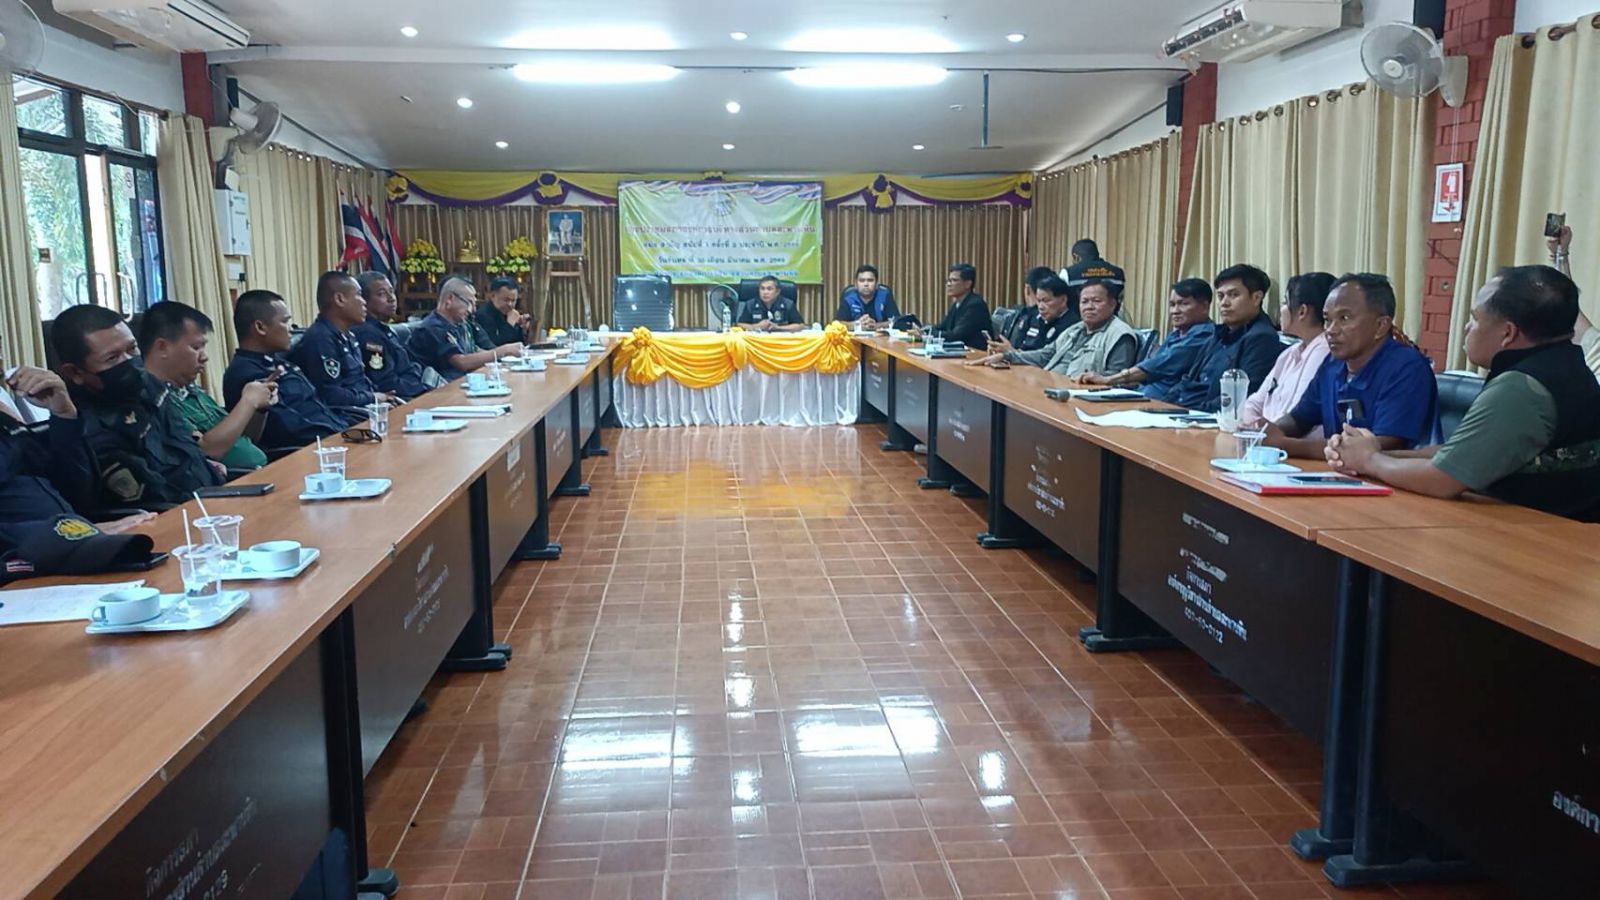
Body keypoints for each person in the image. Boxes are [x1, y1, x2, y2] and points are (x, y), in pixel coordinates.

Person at [1329, 266, 1600, 521]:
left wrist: (1370, 461)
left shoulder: (1521, 387)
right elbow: (1462, 453)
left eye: (1475, 319)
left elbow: (1443, 479)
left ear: (1507, 333)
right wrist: (1369, 453)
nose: (1467, 327)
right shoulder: (1568, 366)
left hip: (1539, 537)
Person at [51, 304, 223, 509]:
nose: (131, 363)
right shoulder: (87, 428)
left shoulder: (149, 386)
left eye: (132, 349)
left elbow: (187, 449)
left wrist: (210, 472)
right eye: (112, 358)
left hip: (213, 499)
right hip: (174, 516)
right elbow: (153, 499)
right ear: (75, 373)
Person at [1263, 274, 1437, 458]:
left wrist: (1285, 445)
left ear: (1380, 325)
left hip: (1398, 474)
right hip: (1336, 471)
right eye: (1327, 319)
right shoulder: (1332, 365)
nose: (1331, 330)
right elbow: (1299, 419)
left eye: (1344, 318)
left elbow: (1381, 447)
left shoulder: (1407, 367)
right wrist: (1267, 431)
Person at [137, 301, 272, 472]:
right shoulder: (154, 400)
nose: (205, 357)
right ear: (163, 347)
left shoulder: (192, 391)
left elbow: (245, 437)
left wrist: (260, 408)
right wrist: (248, 401)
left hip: (262, 471)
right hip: (233, 482)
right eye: (196, 347)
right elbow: (208, 451)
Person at [225, 290, 353, 450]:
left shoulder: (278, 362)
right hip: (306, 452)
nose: (290, 329)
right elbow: (290, 428)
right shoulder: (248, 373)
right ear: (260, 327)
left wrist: (346, 429)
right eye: (285, 322)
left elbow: (318, 408)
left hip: (332, 439)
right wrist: (341, 436)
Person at [1166, 264, 1286, 411]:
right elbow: (1188, 380)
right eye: (1221, 296)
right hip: (1184, 410)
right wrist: (1164, 404)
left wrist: (1190, 410)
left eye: (1234, 295)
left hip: (1210, 417)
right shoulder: (1219, 333)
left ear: (1256, 298)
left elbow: (1242, 397)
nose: (1224, 303)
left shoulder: (1262, 338)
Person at [1081, 278, 1217, 400]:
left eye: (1183, 304)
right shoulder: (1175, 335)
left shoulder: (1205, 334)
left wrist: (1109, 380)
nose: (1175, 311)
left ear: (1204, 307)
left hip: (1168, 405)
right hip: (1143, 397)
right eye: (1172, 304)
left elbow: (1158, 365)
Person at [970, 280, 1138, 378]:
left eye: (1096, 301)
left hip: (1078, 398)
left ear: (1112, 304)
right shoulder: (1075, 330)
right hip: (1051, 386)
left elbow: (1116, 378)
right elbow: (1045, 354)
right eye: (1084, 301)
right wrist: (1007, 356)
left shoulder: (1119, 335)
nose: (1089, 306)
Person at [292, 271, 398, 415]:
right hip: (345, 416)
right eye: (359, 295)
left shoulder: (348, 335)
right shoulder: (320, 339)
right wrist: (373, 397)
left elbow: (360, 381)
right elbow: (331, 396)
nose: (364, 302)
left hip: (365, 407)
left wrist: (380, 398)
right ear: (340, 299)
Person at [1239, 272, 1335, 428]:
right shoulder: (1290, 352)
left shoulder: (1324, 351)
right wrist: (1253, 429)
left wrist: (1262, 431)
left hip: (1287, 439)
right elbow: (1254, 403)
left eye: (1285, 302)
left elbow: (1298, 414)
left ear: (1302, 311)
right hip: (1265, 436)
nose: (1281, 309)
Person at [408, 277, 524, 381]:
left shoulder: (459, 325)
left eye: (474, 305)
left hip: (458, 384)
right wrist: (503, 351)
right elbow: (462, 362)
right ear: (450, 299)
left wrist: (503, 359)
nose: (472, 310)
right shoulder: (433, 327)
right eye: (469, 303)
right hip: (433, 390)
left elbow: (474, 351)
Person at [352, 272, 436, 400]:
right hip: (401, 398)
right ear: (364, 301)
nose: (391, 298)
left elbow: (410, 365)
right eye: (382, 294)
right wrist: (420, 387)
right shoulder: (368, 334)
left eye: (391, 291)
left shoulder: (382, 329)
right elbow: (386, 384)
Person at [912, 263, 989, 350]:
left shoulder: (975, 305)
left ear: (968, 284)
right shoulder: (957, 304)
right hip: (959, 351)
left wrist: (927, 333)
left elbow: (956, 336)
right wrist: (923, 330)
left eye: (954, 280)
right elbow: (941, 327)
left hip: (975, 353)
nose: (949, 284)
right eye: (948, 281)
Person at [1059, 239, 1125, 327]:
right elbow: (1120, 298)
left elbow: (1059, 302)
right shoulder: (1118, 272)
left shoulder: (1068, 273)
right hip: (1112, 325)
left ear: (1076, 257)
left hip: (1075, 324)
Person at [1003, 267, 1070, 350]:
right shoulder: (1040, 320)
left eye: (1046, 301)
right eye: (1039, 301)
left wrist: (1012, 353)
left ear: (1063, 300)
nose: (1040, 307)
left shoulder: (1070, 326)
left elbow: (1046, 356)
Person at [835, 264, 900, 327]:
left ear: (876, 284)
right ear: (856, 284)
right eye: (862, 281)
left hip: (880, 334)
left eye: (870, 280)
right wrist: (857, 324)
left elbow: (897, 321)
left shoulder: (885, 296)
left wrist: (876, 325)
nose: (866, 284)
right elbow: (837, 323)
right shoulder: (849, 297)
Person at [476, 277, 532, 346]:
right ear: (493, 296)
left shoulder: (510, 314)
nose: (510, 304)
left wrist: (523, 329)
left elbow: (520, 344)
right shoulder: (483, 316)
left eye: (513, 300)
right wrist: (509, 325)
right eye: (506, 300)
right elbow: (493, 346)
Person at [737, 276, 806, 332]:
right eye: (762, 289)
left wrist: (778, 328)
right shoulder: (751, 304)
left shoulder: (788, 304)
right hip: (757, 340)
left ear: (777, 291)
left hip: (781, 340)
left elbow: (800, 325)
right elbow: (740, 324)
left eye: (769, 289)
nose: (765, 292)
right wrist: (756, 326)